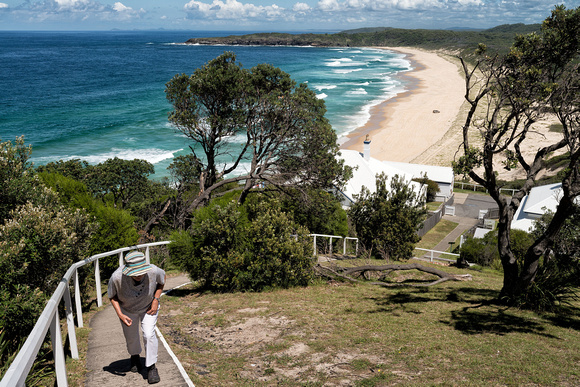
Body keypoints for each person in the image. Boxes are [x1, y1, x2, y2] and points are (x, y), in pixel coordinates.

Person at [108, 250, 166, 384]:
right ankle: (134, 356)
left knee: (149, 334)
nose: (139, 275)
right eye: (135, 273)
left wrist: (156, 299)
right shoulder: (116, 277)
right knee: (131, 336)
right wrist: (120, 314)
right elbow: (112, 296)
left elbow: (162, 280)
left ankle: (151, 367)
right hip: (127, 309)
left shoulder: (153, 270)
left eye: (141, 272)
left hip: (148, 307)